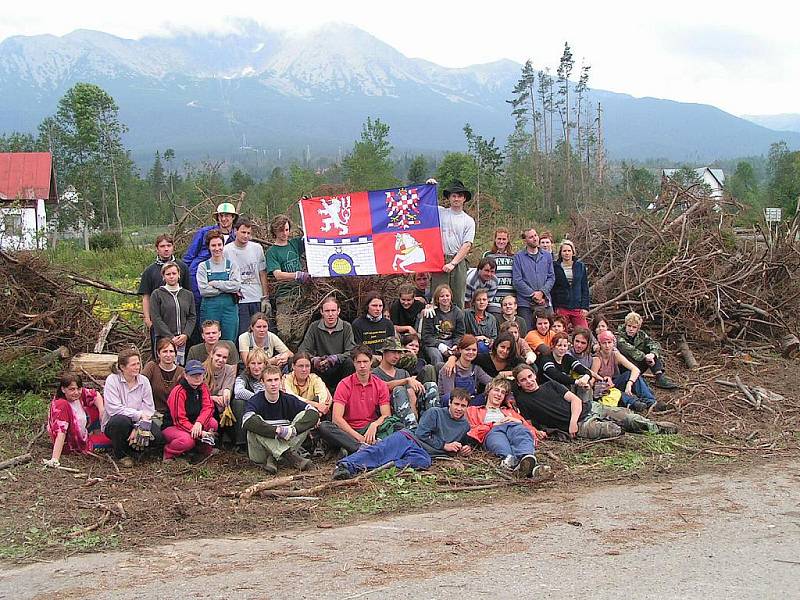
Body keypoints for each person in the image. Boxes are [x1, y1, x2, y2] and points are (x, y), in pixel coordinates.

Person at [331, 388, 473, 480]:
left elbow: (464, 443)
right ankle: (345, 465)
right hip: (409, 439)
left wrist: (464, 449)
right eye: (456, 404)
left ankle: (378, 469)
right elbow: (421, 433)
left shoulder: (464, 425)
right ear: (449, 403)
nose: (459, 409)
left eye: (463, 406)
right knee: (379, 451)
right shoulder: (435, 412)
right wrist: (444, 445)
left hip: (423, 453)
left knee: (423, 462)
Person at [513, 364, 677, 439]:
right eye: (523, 380)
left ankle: (657, 429)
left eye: (529, 376)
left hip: (589, 409)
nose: (528, 381)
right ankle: (629, 429)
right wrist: (537, 432)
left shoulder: (551, 385)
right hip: (582, 426)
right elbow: (528, 422)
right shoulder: (523, 400)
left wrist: (572, 421)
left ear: (534, 375)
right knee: (613, 430)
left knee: (630, 418)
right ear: (519, 383)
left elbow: (575, 400)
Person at [318, 346, 396, 456]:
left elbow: (386, 415)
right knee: (325, 426)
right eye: (358, 362)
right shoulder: (344, 384)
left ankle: (350, 448)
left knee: (397, 426)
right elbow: (337, 418)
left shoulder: (380, 385)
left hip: (370, 429)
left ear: (371, 362)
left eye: (365, 361)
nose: (362, 366)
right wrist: (358, 438)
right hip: (348, 430)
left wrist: (374, 425)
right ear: (354, 363)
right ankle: (360, 448)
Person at [242, 365, 321, 474]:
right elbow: (247, 421)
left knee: (304, 415)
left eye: (276, 379)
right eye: (269, 380)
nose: (273, 384)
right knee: (255, 422)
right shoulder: (255, 400)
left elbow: (313, 412)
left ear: (281, 380)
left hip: (287, 443)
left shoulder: (288, 399)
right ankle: (287, 455)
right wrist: (277, 430)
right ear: (262, 382)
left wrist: (293, 430)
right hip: (260, 454)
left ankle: (274, 458)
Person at [466, 376, 544, 477]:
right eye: (496, 390)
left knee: (520, 430)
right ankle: (523, 465)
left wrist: (518, 421)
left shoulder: (510, 411)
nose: (499, 394)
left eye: (503, 392)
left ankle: (526, 458)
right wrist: (492, 425)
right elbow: (472, 431)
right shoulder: (473, 410)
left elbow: (528, 430)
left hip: (513, 428)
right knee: (499, 438)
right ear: (488, 391)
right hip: (492, 432)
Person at [101, 348, 165, 467]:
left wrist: (138, 427)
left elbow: (149, 408)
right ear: (122, 367)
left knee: (157, 436)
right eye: (133, 365)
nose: (137, 367)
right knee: (120, 422)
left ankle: (136, 450)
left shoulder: (144, 381)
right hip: (116, 422)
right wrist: (138, 415)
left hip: (140, 421)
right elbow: (114, 409)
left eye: (138, 364)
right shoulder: (112, 380)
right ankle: (121, 454)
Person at [183, 202, 238, 330]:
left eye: (227, 216)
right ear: (217, 217)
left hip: (223, 280)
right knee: (199, 315)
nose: (224, 219)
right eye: (221, 216)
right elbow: (189, 257)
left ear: (233, 217)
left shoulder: (236, 236)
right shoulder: (204, 232)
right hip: (199, 279)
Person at [138, 234, 191, 356]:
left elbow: (188, 294)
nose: (166, 249)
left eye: (169, 245)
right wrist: (147, 319)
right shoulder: (150, 271)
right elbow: (146, 297)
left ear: (173, 247)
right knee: (161, 353)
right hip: (159, 321)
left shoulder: (182, 267)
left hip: (179, 321)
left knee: (180, 356)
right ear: (157, 249)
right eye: (162, 246)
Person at [44, 373, 110, 467]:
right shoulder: (62, 405)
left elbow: (95, 395)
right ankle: (97, 439)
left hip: (83, 430)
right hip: (76, 444)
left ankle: (97, 432)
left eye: (78, 389)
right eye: (71, 389)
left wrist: (101, 410)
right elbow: (61, 432)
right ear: (63, 389)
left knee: (95, 408)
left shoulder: (79, 395)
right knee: (113, 440)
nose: (76, 392)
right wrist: (55, 459)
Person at [265, 214, 309, 348]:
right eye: (281, 230)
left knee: (299, 331)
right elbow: (277, 274)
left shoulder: (294, 243)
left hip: (301, 294)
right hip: (284, 296)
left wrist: (304, 210)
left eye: (286, 229)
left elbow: (310, 235)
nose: (284, 233)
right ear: (274, 231)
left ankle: (294, 359)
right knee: (284, 331)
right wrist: (296, 275)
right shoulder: (272, 252)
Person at [372, 338, 438, 429]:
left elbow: (411, 395)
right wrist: (406, 380)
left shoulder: (403, 372)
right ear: (384, 352)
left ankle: (433, 424)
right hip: (390, 412)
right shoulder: (375, 373)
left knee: (431, 385)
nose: (396, 356)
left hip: (412, 409)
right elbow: (384, 386)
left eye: (399, 353)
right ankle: (412, 428)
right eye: (393, 352)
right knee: (399, 390)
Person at [431, 180, 475, 309]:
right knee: (438, 295)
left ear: (464, 199)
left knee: (457, 297)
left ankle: (458, 327)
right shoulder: (440, 212)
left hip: (458, 261)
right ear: (449, 198)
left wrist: (453, 263)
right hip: (440, 259)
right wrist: (430, 187)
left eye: (459, 196)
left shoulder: (468, 221)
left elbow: (467, 244)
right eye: (453, 196)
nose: (456, 199)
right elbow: (424, 205)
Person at [162, 360, 218, 461]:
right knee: (187, 440)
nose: (197, 377)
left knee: (213, 423)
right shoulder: (178, 391)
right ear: (186, 376)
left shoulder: (203, 387)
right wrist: (199, 432)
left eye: (199, 374)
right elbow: (179, 420)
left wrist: (199, 423)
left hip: (194, 422)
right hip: (174, 426)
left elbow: (208, 407)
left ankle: (204, 449)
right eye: (193, 375)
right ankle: (169, 453)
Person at [297, 295, 356, 393]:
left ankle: (345, 393)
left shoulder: (346, 327)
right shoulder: (314, 327)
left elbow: (351, 351)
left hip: (339, 367)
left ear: (338, 311)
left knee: (350, 363)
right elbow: (303, 350)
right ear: (322, 312)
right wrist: (313, 359)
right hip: (320, 367)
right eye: (327, 311)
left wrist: (335, 358)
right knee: (302, 362)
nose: (330, 314)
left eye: (333, 310)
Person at [223, 217, 269, 337]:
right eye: (243, 232)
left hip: (256, 297)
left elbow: (262, 273)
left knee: (260, 332)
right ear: (235, 231)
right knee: (243, 333)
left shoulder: (257, 248)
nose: (246, 236)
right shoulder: (227, 250)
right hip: (239, 299)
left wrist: (265, 297)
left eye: (248, 233)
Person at [591, 330, 657, 412]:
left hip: (614, 382)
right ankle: (634, 403)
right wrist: (603, 380)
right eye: (604, 343)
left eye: (609, 342)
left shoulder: (615, 355)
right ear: (600, 344)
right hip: (601, 387)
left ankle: (650, 401)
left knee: (629, 374)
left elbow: (635, 369)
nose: (607, 346)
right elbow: (592, 379)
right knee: (613, 391)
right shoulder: (597, 359)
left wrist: (630, 383)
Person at [197, 230, 242, 343]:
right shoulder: (203, 266)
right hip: (210, 309)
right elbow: (204, 290)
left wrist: (215, 283)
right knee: (211, 341)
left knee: (229, 342)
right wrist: (226, 288)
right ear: (208, 247)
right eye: (213, 245)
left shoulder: (232, 265)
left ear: (223, 245)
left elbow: (236, 286)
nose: (217, 248)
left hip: (229, 309)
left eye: (219, 245)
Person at [148, 261, 195, 365]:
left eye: (174, 273)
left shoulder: (188, 295)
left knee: (182, 367)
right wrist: (170, 337)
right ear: (163, 277)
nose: (171, 276)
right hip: (164, 338)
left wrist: (186, 334)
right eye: (168, 274)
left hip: (183, 339)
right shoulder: (157, 294)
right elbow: (156, 318)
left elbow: (192, 317)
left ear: (179, 275)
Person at [616, 312, 678, 390]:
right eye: (629, 326)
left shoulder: (641, 335)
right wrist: (646, 357)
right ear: (625, 325)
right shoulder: (619, 337)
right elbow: (631, 351)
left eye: (634, 327)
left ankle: (659, 377)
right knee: (644, 356)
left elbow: (654, 344)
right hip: (625, 367)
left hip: (639, 363)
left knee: (652, 353)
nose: (631, 329)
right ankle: (639, 383)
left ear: (638, 328)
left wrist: (652, 354)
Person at [512, 227, 555, 330]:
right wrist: (533, 294)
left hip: (545, 302)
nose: (535, 239)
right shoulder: (518, 257)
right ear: (525, 240)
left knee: (549, 331)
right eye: (531, 237)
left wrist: (542, 292)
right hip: (525, 303)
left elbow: (551, 277)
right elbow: (517, 280)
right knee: (526, 332)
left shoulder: (547, 256)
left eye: (535, 235)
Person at [535, 332, 595, 404]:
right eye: (559, 345)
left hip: (565, 390)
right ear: (552, 346)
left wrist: (585, 377)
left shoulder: (567, 358)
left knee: (584, 381)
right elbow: (556, 376)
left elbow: (583, 370)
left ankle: (586, 406)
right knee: (564, 384)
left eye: (565, 346)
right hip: (548, 390)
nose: (562, 348)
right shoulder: (546, 359)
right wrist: (577, 382)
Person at [438, 334, 493, 406]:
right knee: (447, 398)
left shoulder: (476, 369)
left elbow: (491, 382)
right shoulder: (450, 367)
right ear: (460, 350)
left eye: (474, 350)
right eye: (467, 349)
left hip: (470, 402)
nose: (471, 352)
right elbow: (450, 394)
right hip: (452, 404)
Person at [202, 343, 239, 447]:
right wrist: (212, 398)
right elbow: (199, 393)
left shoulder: (229, 369)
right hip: (205, 403)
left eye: (224, 357)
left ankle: (233, 443)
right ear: (212, 354)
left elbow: (228, 387)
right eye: (218, 355)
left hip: (222, 403)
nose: (221, 359)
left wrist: (225, 394)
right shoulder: (202, 369)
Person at [421, 284, 465, 367]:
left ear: (451, 296)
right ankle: (438, 376)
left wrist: (456, 345)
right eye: (442, 296)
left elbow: (460, 334)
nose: (445, 298)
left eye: (447, 295)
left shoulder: (457, 312)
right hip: (433, 343)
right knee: (436, 355)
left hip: (451, 342)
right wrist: (440, 346)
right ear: (437, 298)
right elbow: (426, 336)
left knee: (459, 354)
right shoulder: (431, 312)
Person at [552, 239, 590, 331]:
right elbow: (553, 288)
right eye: (564, 251)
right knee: (560, 333)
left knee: (583, 331)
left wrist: (585, 307)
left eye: (569, 251)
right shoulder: (555, 267)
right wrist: (555, 307)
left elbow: (584, 287)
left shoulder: (580, 266)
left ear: (573, 252)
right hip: (562, 306)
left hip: (577, 306)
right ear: (560, 253)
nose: (567, 253)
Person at [142, 339, 185, 418]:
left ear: (175, 354)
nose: (168, 355)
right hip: (152, 413)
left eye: (171, 351)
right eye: (165, 351)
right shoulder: (151, 367)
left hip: (174, 415)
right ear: (158, 353)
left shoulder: (181, 372)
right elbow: (140, 385)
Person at [483, 227, 514, 315]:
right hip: (493, 299)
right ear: (495, 239)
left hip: (509, 299)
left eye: (504, 239)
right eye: (499, 239)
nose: (501, 241)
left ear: (508, 240)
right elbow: (482, 276)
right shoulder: (488, 255)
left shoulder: (514, 256)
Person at [464, 288, 498, 354]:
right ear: (474, 302)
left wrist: (486, 339)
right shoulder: (465, 314)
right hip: (468, 347)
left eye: (484, 300)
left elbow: (494, 338)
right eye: (478, 300)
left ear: (487, 302)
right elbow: (461, 334)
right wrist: (475, 338)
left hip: (486, 349)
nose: (481, 302)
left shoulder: (492, 318)